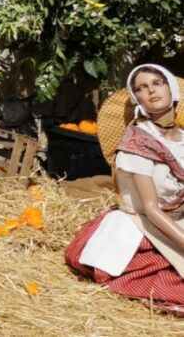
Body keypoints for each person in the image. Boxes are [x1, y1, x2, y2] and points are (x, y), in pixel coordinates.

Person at [67, 64, 184, 313]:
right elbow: (151, 209)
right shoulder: (137, 141)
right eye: (141, 88)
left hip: (178, 217)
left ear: (172, 89)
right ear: (136, 99)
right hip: (145, 223)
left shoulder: (182, 138)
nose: (151, 90)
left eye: (157, 83)